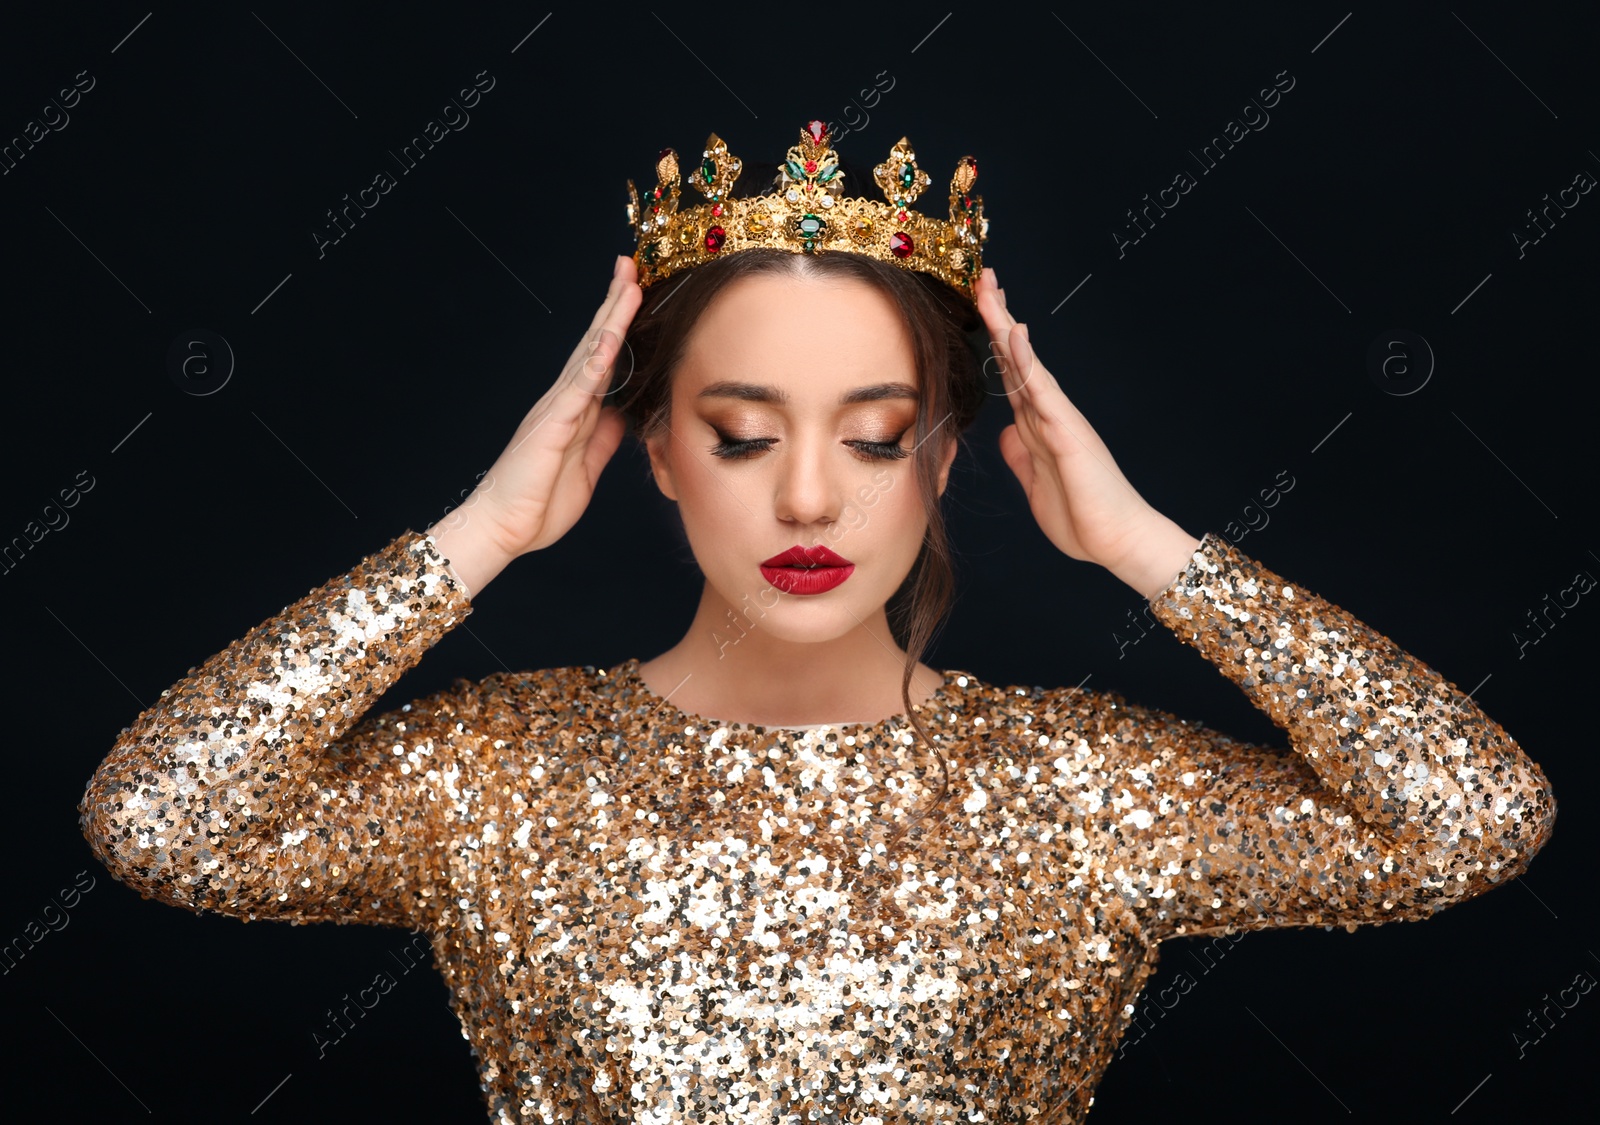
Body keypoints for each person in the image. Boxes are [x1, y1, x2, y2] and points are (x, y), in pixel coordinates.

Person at [78, 121, 1556, 1124]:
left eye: (872, 435)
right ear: (650, 447)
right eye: (736, 434)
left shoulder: (1082, 793)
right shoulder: (498, 776)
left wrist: (1146, 547)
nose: (805, 498)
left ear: (946, 456)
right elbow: (161, 819)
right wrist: (480, 535)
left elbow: (1468, 819)